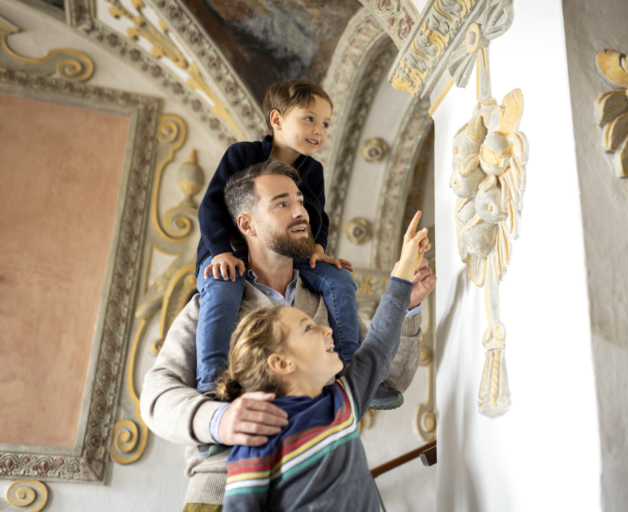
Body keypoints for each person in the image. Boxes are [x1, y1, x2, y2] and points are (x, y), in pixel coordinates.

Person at [141, 160, 436, 512]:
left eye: (300, 201)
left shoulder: (327, 300)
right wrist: (219, 420)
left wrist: (407, 305)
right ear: (246, 224)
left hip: (318, 492)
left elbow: (387, 376)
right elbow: (156, 398)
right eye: (282, 203)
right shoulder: (210, 308)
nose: (301, 212)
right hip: (222, 496)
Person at [195, 80, 400, 408]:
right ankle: (210, 385)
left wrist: (319, 249)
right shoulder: (242, 154)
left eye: (325, 123)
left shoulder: (313, 170)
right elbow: (211, 207)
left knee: (339, 279)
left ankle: (352, 372)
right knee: (221, 286)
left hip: (293, 252)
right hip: (227, 252)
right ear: (276, 120)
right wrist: (219, 251)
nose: (319, 129)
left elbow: (318, 216)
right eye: (309, 119)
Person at [217, 210, 430, 512]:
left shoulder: (341, 400)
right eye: (308, 328)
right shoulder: (257, 439)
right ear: (281, 363)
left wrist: (404, 271)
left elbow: (378, 347)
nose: (327, 329)